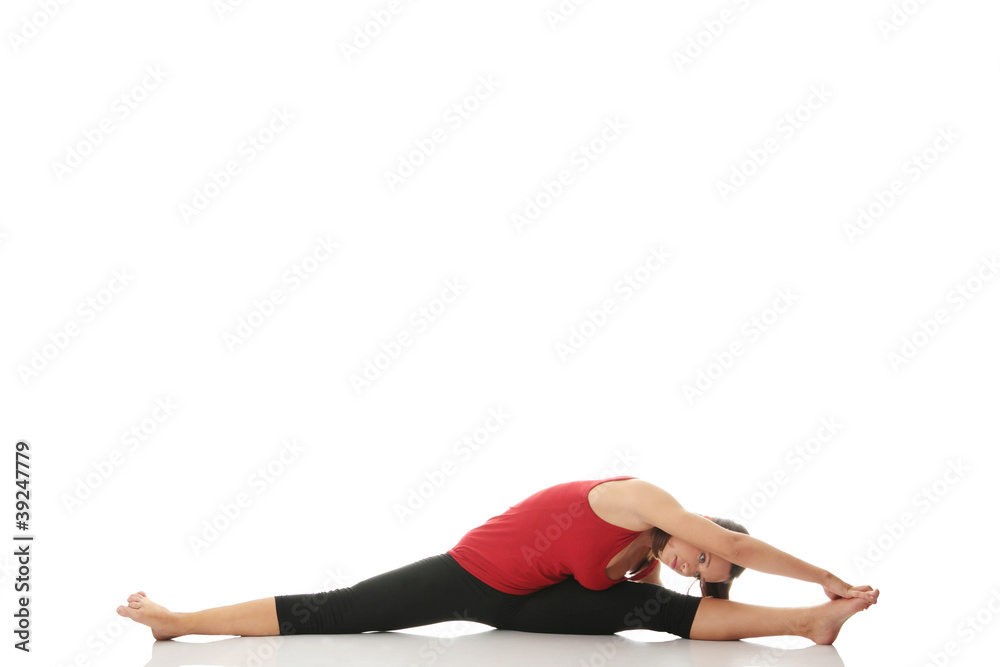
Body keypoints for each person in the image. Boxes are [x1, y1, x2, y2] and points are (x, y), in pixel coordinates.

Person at [116, 476, 878, 644]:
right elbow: (735, 547)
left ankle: (808, 625)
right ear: (699, 526)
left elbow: (709, 577)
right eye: (697, 551)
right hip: (467, 575)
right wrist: (828, 573)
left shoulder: (647, 556)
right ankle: (178, 621)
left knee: (666, 615)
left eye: (694, 561)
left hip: (519, 605)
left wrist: (692, 581)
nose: (691, 560)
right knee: (341, 609)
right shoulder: (644, 498)